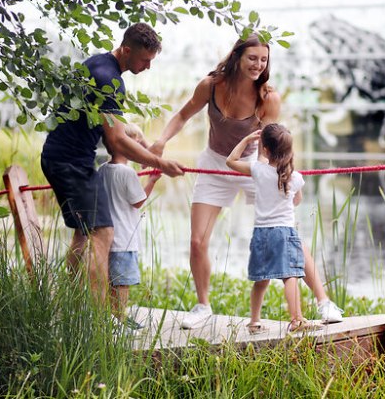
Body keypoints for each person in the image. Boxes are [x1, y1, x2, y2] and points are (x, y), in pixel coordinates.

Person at [149, 36, 343, 329]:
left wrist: (285, 181)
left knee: (288, 232)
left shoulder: (267, 97)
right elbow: (183, 115)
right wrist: (161, 142)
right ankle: (203, 305)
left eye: (263, 60)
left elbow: (272, 146)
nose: (258, 65)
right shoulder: (211, 85)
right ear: (238, 56)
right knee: (197, 240)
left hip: (256, 164)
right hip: (215, 162)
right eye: (252, 58)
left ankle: (324, 302)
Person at [41, 23, 184, 309]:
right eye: (145, 60)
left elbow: (107, 123)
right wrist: (159, 163)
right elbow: (116, 141)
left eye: (151, 61)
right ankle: (98, 317)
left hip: (59, 157)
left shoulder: (98, 64)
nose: (147, 67)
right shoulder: (110, 79)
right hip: (71, 163)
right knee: (103, 232)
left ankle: (71, 307)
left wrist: (140, 140)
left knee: (84, 232)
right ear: (127, 50)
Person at [226, 124, 323, 334]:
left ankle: (254, 322)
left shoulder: (258, 170)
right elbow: (297, 200)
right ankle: (297, 320)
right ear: (289, 150)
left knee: (261, 280)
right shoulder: (295, 177)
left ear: (266, 150)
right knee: (290, 276)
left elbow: (230, 161)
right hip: (284, 232)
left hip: (261, 232)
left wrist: (247, 141)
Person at [101, 124, 161, 330]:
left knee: (109, 280)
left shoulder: (102, 169)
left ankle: (111, 317)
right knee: (122, 283)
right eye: (136, 143)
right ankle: (120, 319)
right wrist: (152, 181)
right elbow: (138, 201)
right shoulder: (127, 173)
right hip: (124, 238)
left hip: (106, 238)